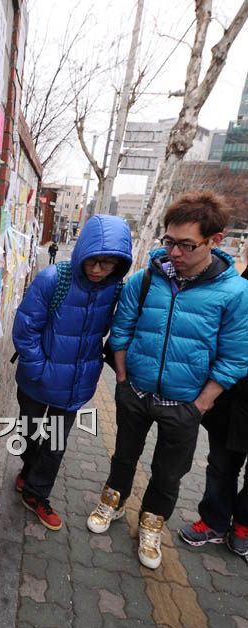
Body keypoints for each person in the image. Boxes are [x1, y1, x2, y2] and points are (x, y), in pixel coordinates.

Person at [87, 192, 248, 569]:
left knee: (169, 472)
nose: (174, 252)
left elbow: (235, 357)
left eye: (187, 245)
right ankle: (113, 500)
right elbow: (121, 331)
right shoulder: (145, 280)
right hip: (135, 391)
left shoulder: (235, 293)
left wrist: (202, 403)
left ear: (215, 240)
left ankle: (151, 523)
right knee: (124, 455)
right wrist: (122, 380)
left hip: (185, 404)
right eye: (169, 241)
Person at [12, 215, 132, 530]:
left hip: (75, 384)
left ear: (119, 265)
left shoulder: (115, 290)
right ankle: (27, 472)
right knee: (30, 434)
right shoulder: (53, 279)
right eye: (93, 261)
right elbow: (25, 329)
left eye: (107, 264)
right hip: (37, 379)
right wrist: (39, 369)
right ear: (82, 252)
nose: (97, 270)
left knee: (54, 444)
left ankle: (36, 494)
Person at [178, 247, 248, 557]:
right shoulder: (239, 289)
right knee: (221, 466)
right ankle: (214, 521)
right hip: (232, 397)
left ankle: (243, 525)